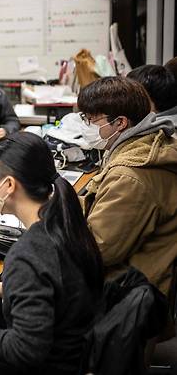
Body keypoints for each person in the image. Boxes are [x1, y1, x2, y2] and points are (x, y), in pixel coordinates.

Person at [0, 132, 103, 374]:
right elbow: (53, 286)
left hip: (50, 364)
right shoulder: (64, 221)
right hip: (74, 351)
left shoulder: (28, 253)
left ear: (8, 185)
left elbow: (25, 351)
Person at [77, 76, 177, 295]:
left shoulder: (130, 176)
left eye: (91, 120)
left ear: (120, 123)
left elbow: (99, 249)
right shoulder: (146, 143)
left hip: (133, 296)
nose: (86, 126)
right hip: (140, 279)